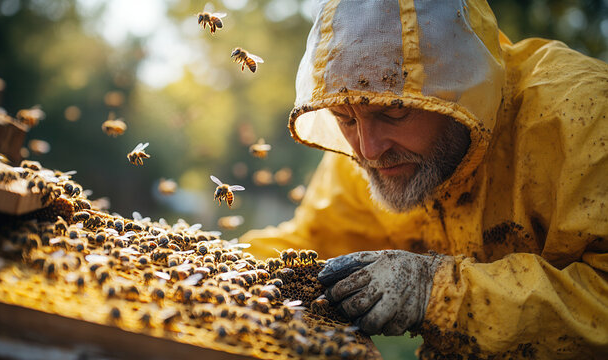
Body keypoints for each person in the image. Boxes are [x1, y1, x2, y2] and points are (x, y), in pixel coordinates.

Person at [241, 0, 608, 358]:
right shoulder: (369, 161)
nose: (368, 151)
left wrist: (437, 292)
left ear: (460, 88)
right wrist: (229, 269)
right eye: (344, 117)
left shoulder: (586, 117)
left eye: (394, 111)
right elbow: (312, 243)